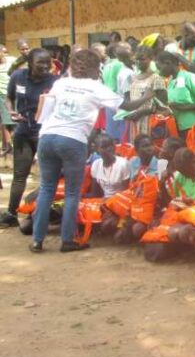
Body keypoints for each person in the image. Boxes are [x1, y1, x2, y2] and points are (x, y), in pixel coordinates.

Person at [29, 49, 152, 252]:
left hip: (47, 138)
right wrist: (148, 95)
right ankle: (67, 240)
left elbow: (45, 110)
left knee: (46, 189)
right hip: (72, 140)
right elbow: (127, 105)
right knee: (71, 192)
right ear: (94, 68)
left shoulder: (61, 83)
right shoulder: (96, 87)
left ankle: (37, 240)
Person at [0, 49, 56, 228]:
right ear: (31, 63)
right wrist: (10, 111)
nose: (46, 66)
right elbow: (9, 98)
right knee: (19, 175)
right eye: (41, 62)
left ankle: (40, 212)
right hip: (23, 132)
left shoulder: (55, 81)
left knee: (47, 176)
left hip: (44, 134)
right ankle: (11, 213)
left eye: (48, 62)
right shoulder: (18, 76)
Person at [157, 51, 195, 140]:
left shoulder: (189, 77)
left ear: (168, 63)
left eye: (160, 68)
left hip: (193, 127)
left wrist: (184, 107)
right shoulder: (170, 82)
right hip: (178, 129)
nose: (159, 72)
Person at [124, 46, 167, 140]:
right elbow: (127, 100)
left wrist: (143, 112)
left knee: (148, 146)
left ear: (151, 59)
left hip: (150, 122)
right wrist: (127, 113)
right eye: (137, 59)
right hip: (134, 121)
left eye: (142, 59)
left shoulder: (156, 79)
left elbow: (163, 106)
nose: (139, 62)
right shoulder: (131, 78)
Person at [104, 42, 135, 141]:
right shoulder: (122, 67)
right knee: (123, 136)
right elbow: (127, 94)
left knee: (114, 135)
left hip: (110, 102)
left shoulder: (107, 65)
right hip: (121, 103)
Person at [0, 43, 18, 155]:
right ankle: (8, 146)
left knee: (16, 120)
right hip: (2, 95)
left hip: (14, 94)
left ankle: (17, 145)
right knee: (6, 122)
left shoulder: (12, 61)